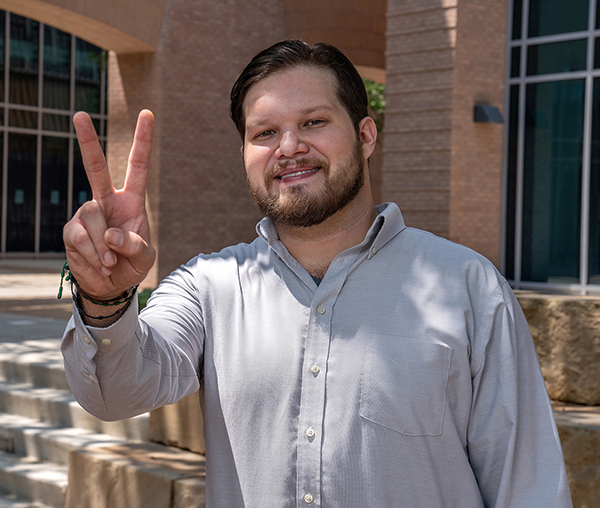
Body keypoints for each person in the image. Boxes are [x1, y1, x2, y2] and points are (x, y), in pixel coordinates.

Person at [61, 40, 572, 507]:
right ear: (245, 155)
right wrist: (103, 299)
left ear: (366, 135)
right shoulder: (209, 287)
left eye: (313, 123)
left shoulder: (470, 288)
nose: (288, 147)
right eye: (265, 133)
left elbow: (528, 486)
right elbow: (116, 393)